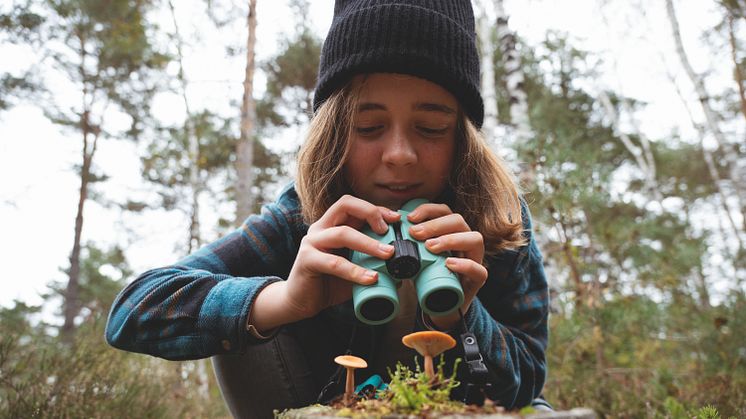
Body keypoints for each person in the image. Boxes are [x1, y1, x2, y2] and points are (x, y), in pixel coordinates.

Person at [105, 1, 549, 418]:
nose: (399, 154)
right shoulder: (302, 218)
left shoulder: (495, 219)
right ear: (334, 131)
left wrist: (463, 318)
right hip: (320, 403)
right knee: (243, 317)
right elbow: (133, 311)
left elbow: (528, 380)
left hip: (468, 406)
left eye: (432, 128)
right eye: (368, 126)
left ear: (463, 138)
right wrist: (283, 300)